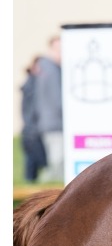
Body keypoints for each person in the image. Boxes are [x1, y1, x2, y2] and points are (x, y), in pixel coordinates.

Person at [35, 35, 64, 183]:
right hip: (55, 123)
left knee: (55, 161)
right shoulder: (52, 71)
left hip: (49, 122)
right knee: (57, 163)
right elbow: (57, 99)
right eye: (61, 49)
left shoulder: (45, 69)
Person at [20, 56, 47, 182]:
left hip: (32, 128)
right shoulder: (33, 83)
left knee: (34, 163)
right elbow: (30, 110)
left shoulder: (32, 81)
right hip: (32, 129)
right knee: (33, 162)